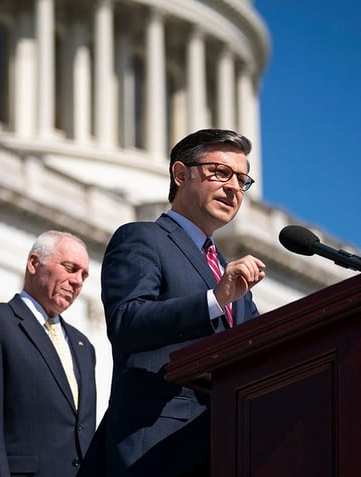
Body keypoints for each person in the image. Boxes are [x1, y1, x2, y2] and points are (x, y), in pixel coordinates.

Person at [79, 129, 267, 477]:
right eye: (220, 173)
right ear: (181, 174)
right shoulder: (143, 239)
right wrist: (214, 300)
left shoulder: (230, 274)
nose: (233, 188)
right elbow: (127, 321)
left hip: (226, 449)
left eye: (242, 180)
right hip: (156, 450)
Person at [0, 230, 97, 477]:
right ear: (34, 264)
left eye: (83, 275)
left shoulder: (84, 347)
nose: (77, 281)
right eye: (69, 268)